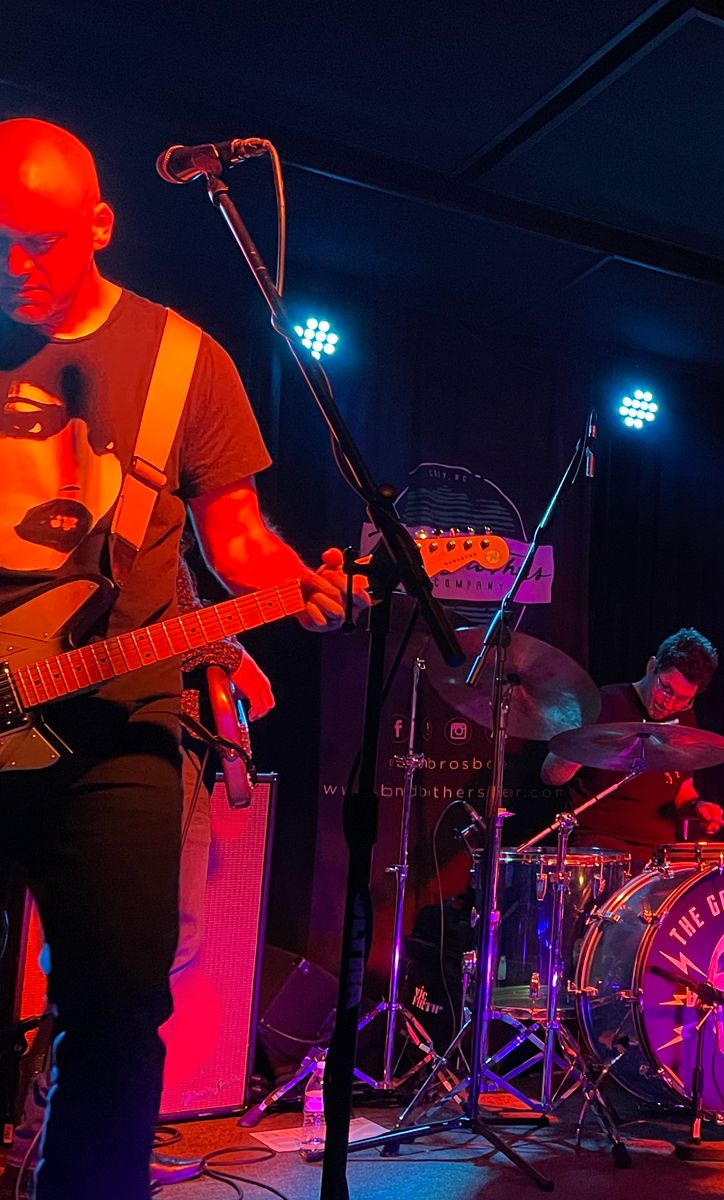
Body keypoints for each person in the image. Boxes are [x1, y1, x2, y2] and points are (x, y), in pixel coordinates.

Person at [0, 117, 364, 1200]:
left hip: (117, 729)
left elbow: (235, 536)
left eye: (38, 243)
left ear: (100, 225)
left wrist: (299, 585)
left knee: (118, 1010)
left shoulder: (181, 359)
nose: (14, 266)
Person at [539, 628, 724, 869]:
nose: (670, 704)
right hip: (600, 845)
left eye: (683, 699)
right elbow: (551, 775)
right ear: (651, 666)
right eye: (666, 688)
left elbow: (682, 790)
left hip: (659, 852)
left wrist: (699, 808)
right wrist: (588, 743)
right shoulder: (603, 702)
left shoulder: (685, 719)